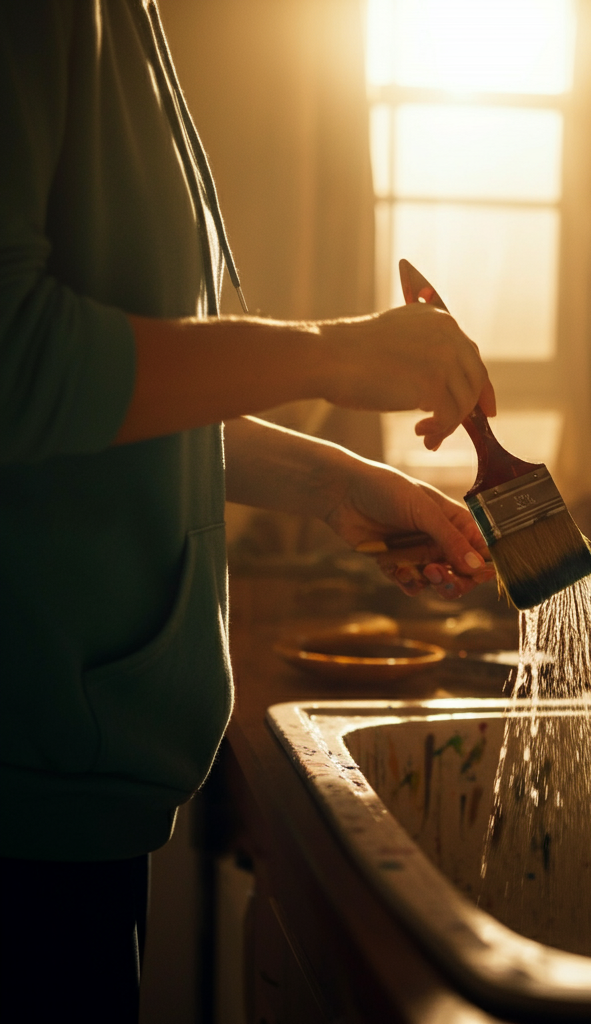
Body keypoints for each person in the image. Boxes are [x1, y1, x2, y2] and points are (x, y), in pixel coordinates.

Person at [0, 3, 495, 1021]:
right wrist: (332, 351)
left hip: (73, 783)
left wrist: (322, 482)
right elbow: (15, 364)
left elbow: (93, 401)